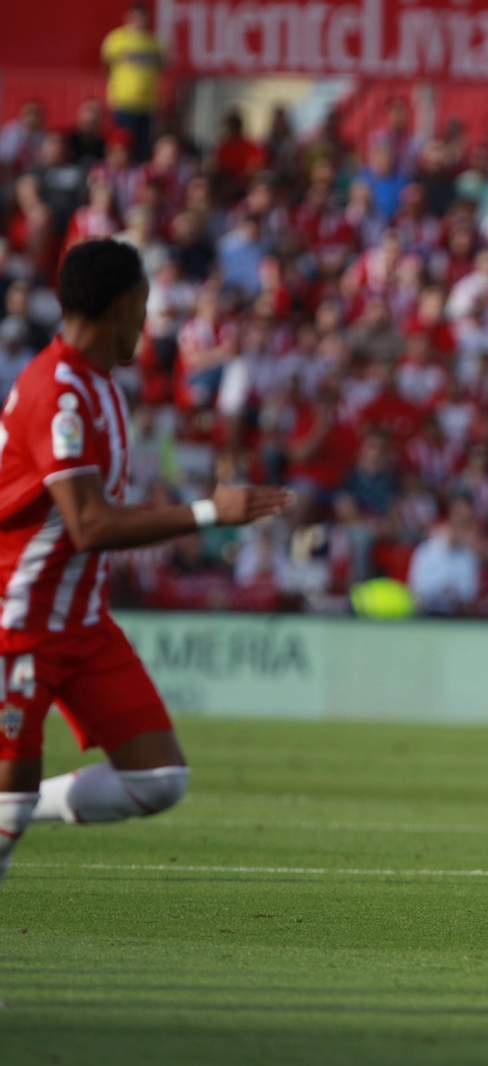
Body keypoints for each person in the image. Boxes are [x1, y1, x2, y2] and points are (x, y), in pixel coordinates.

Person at [0, 239, 289, 886]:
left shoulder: (102, 385)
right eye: (144, 305)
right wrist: (209, 511)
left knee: (158, 778)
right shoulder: (59, 393)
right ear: (122, 306)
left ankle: (14, 808)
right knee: (6, 810)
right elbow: (89, 525)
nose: (148, 321)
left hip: (82, 624)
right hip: (18, 620)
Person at [101, 3, 164, 161]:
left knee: (142, 148)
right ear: (128, 18)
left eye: (143, 17)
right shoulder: (116, 39)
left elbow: (162, 68)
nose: (140, 21)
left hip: (147, 104)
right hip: (123, 103)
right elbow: (105, 66)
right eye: (136, 17)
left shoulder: (154, 43)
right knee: (122, 145)